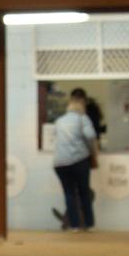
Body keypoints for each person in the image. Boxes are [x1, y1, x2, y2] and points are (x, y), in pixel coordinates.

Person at [52, 89, 97, 231]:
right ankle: (89, 224)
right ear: (82, 106)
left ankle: (74, 225)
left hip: (59, 163)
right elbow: (90, 136)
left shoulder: (59, 121)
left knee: (69, 193)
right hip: (78, 160)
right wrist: (92, 152)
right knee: (84, 192)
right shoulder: (83, 118)